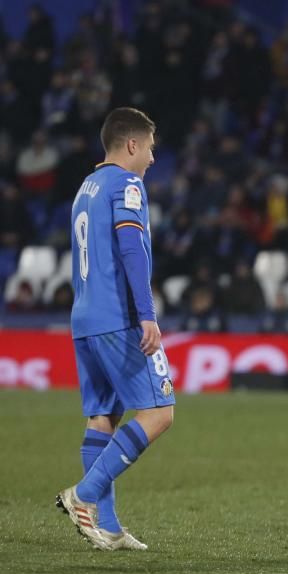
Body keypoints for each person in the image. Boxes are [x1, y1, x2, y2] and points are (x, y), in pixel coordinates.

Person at [56, 107, 175, 551]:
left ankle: (105, 525)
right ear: (131, 144)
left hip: (84, 318)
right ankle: (83, 495)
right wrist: (147, 313)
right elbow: (131, 248)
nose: (152, 158)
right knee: (160, 413)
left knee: (104, 415)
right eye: (149, 147)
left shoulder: (86, 188)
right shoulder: (127, 184)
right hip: (118, 318)